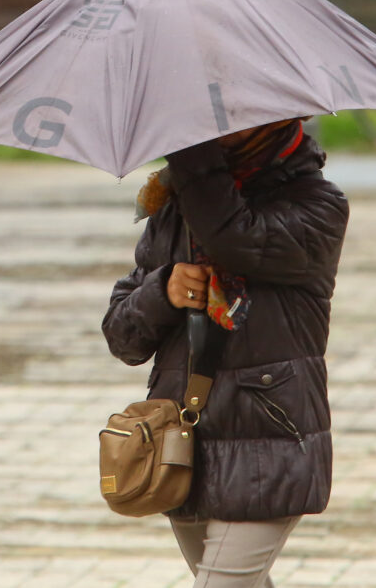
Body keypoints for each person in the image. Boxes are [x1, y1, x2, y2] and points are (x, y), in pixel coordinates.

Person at [102, 118, 350, 588]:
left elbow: (235, 240)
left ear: (281, 112)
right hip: (187, 445)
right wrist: (163, 290)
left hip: (269, 444)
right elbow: (122, 336)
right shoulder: (176, 207)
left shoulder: (317, 204)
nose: (219, 122)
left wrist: (189, 154)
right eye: (211, 110)